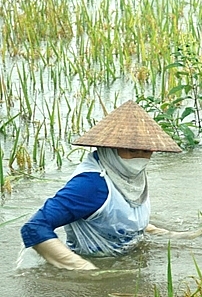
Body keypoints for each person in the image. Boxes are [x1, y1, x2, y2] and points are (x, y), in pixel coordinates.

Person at [20, 100, 183, 270]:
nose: (140, 158)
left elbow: (118, 218)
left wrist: (174, 236)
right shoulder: (91, 184)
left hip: (130, 255)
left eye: (146, 150)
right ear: (110, 148)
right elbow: (34, 227)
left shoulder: (129, 174)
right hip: (100, 262)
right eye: (132, 150)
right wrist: (87, 270)